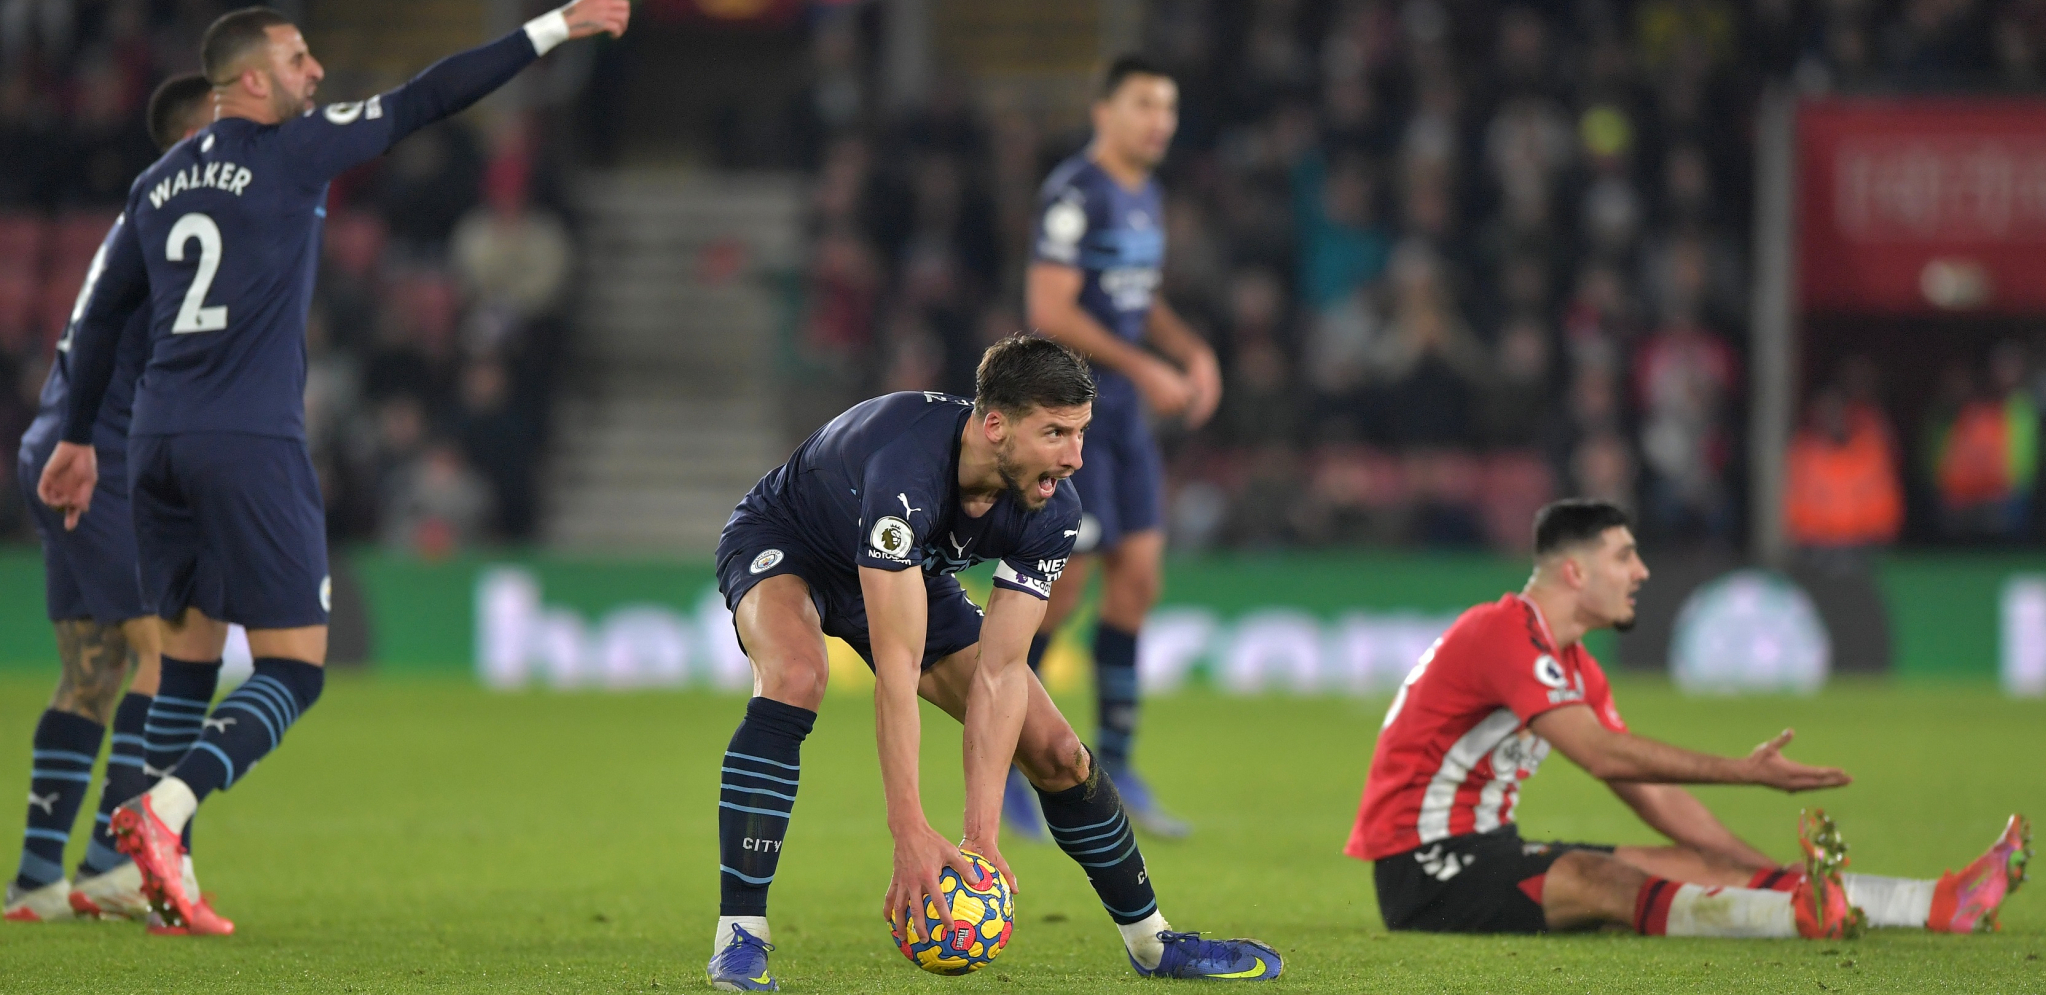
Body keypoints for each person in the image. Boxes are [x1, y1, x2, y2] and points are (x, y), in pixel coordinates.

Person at [36, 1, 631, 935]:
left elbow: (103, 314)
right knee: (296, 669)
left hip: (153, 443)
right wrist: (552, 27)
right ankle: (165, 806)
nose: (316, 72)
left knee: (188, 659)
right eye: (299, 58)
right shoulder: (294, 150)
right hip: (247, 439)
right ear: (253, 82)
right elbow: (433, 96)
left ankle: (127, 872)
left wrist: (75, 437)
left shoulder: (153, 184)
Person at [705, 335, 1281, 990]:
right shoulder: (907, 470)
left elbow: (1002, 672)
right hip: (790, 543)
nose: (1074, 457)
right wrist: (910, 830)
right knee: (797, 675)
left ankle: (1152, 942)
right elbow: (895, 671)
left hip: (910, 570)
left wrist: (981, 835)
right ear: (995, 425)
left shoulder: (1054, 506)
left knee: (1060, 752)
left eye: (1082, 432)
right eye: (1055, 432)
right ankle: (740, 936)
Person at [1344, 498, 2032, 937]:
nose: (1641, 571)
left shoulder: (1577, 666)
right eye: (1624, 555)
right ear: (1575, 572)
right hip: (1423, 868)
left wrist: (1774, 870)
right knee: (1603, 881)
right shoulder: (1503, 633)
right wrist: (1744, 771)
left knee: (1695, 863)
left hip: (1489, 847)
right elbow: (1605, 757)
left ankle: (1939, 902)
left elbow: (1653, 794)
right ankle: (1795, 920)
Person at [6, 73, 217, 927]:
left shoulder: (141, 221)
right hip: (101, 458)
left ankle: (37, 879)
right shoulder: (179, 226)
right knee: (169, 659)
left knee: (91, 673)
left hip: (58, 443)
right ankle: (115, 863)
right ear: (194, 139)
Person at [1015, 54, 1221, 839]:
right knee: (1063, 590)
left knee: (1139, 579)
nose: (1159, 121)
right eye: (1143, 104)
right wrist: (1145, 366)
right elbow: (1050, 307)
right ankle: (1006, 764)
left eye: (1167, 107)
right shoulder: (1076, 192)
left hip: (1128, 413)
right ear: (1104, 112)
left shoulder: (1145, 194)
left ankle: (1121, 764)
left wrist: (1189, 349)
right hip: (1075, 417)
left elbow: (1140, 298)